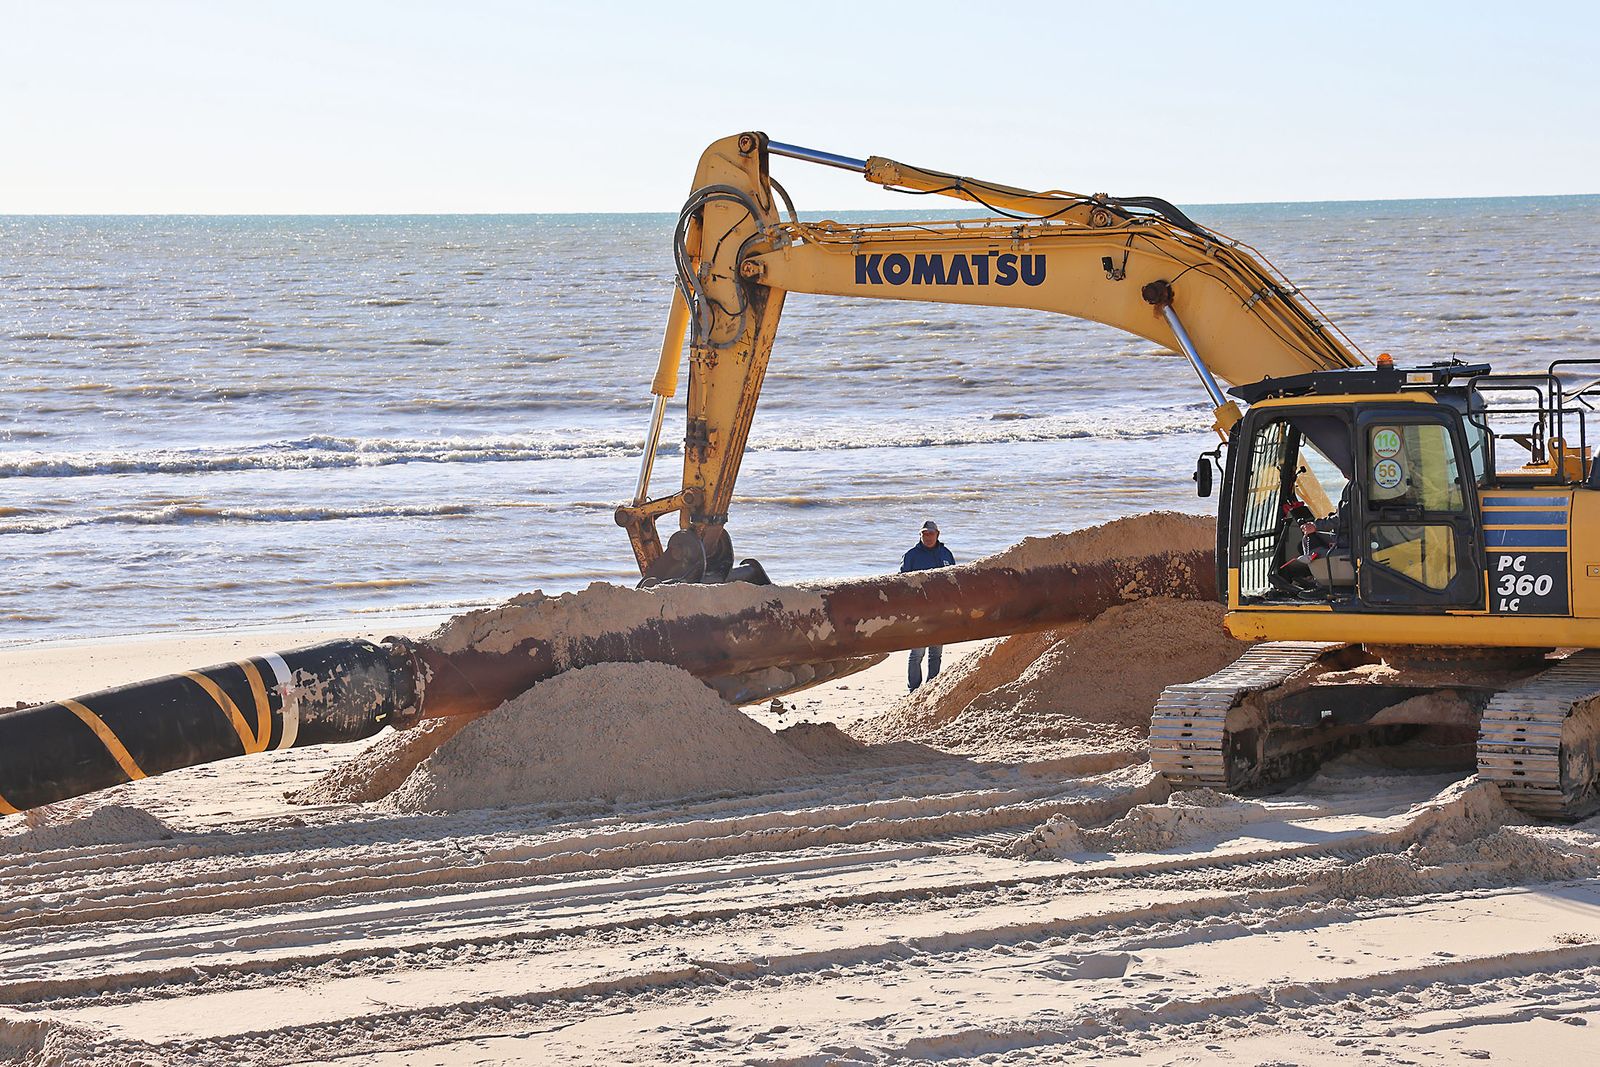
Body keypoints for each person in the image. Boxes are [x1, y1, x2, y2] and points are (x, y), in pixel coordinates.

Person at [900, 520, 956, 690]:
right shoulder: (911, 555)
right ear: (920, 535)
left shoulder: (946, 553)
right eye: (925, 533)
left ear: (937, 534)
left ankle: (931, 687)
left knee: (936, 653)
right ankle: (914, 689)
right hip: (919, 612)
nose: (928, 536)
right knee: (917, 653)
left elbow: (954, 580)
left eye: (931, 533)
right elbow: (901, 583)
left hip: (941, 611)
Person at [1276, 499, 1336, 592]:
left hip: (1346, 540)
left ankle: (1320, 580)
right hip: (1345, 537)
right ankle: (1315, 576)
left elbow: (1341, 519)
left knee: (1312, 542)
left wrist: (1315, 526)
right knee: (1309, 540)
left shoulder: (1353, 495)